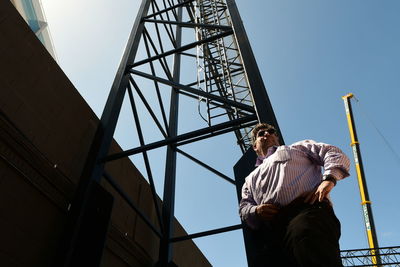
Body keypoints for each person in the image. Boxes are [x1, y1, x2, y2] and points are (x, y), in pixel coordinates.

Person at [239, 123, 350, 267]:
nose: (267, 134)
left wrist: (329, 178)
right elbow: (244, 207)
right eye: (261, 134)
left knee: (308, 244)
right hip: (273, 229)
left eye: (271, 132)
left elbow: (331, 152)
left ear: (277, 138)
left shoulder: (297, 148)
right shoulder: (249, 179)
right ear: (254, 146)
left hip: (307, 210)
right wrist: (256, 211)